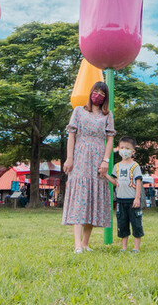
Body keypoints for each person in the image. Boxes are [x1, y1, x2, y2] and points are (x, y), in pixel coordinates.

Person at [62, 81, 115, 253]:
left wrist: (106, 161)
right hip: (80, 158)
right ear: (90, 92)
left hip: (98, 158)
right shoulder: (78, 111)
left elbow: (110, 139)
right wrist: (69, 158)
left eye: (102, 92)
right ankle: (77, 244)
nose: (98, 94)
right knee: (80, 198)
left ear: (105, 97)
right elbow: (71, 135)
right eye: (96, 91)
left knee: (93, 199)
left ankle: (85, 243)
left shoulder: (107, 115)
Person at [106, 136, 144, 253]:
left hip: (133, 200)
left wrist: (137, 198)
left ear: (133, 151)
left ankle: (136, 247)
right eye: (122, 147)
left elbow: (138, 182)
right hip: (121, 201)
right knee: (122, 223)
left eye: (127, 148)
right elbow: (115, 182)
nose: (124, 150)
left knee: (136, 223)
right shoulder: (117, 166)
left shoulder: (135, 166)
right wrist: (106, 176)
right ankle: (124, 247)